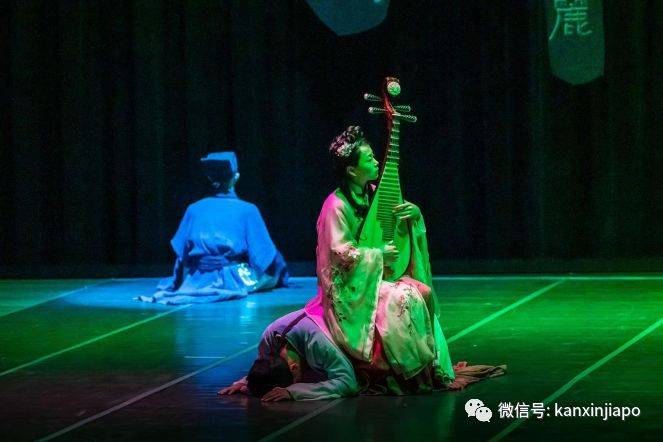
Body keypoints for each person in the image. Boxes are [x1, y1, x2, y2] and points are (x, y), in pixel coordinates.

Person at [305, 126, 505, 394]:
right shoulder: (336, 205)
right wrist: (377, 255)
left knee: (423, 292)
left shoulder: (375, 193)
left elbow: (395, 221)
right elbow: (338, 254)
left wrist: (415, 214)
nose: (377, 162)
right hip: (351, 286)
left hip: (375, 275)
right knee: (403, 298)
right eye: (369, 159)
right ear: (351, 170)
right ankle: (409, 375)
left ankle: (432, 366)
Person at [139, 152, 288, 305]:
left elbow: (183, 257)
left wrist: (184, 280)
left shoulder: (194, 209)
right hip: (232, 278)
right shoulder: (248, 210)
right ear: (236, 177)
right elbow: (263, 255)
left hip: (196, 278)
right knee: (276, 262)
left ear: (210, 178)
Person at [218, 308, 359, 401]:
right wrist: (248, 381)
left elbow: (348, 382)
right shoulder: (269, 339)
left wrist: (294, 391)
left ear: (293, 367)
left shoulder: (319, 343)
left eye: (295, 380)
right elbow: (264, 367)